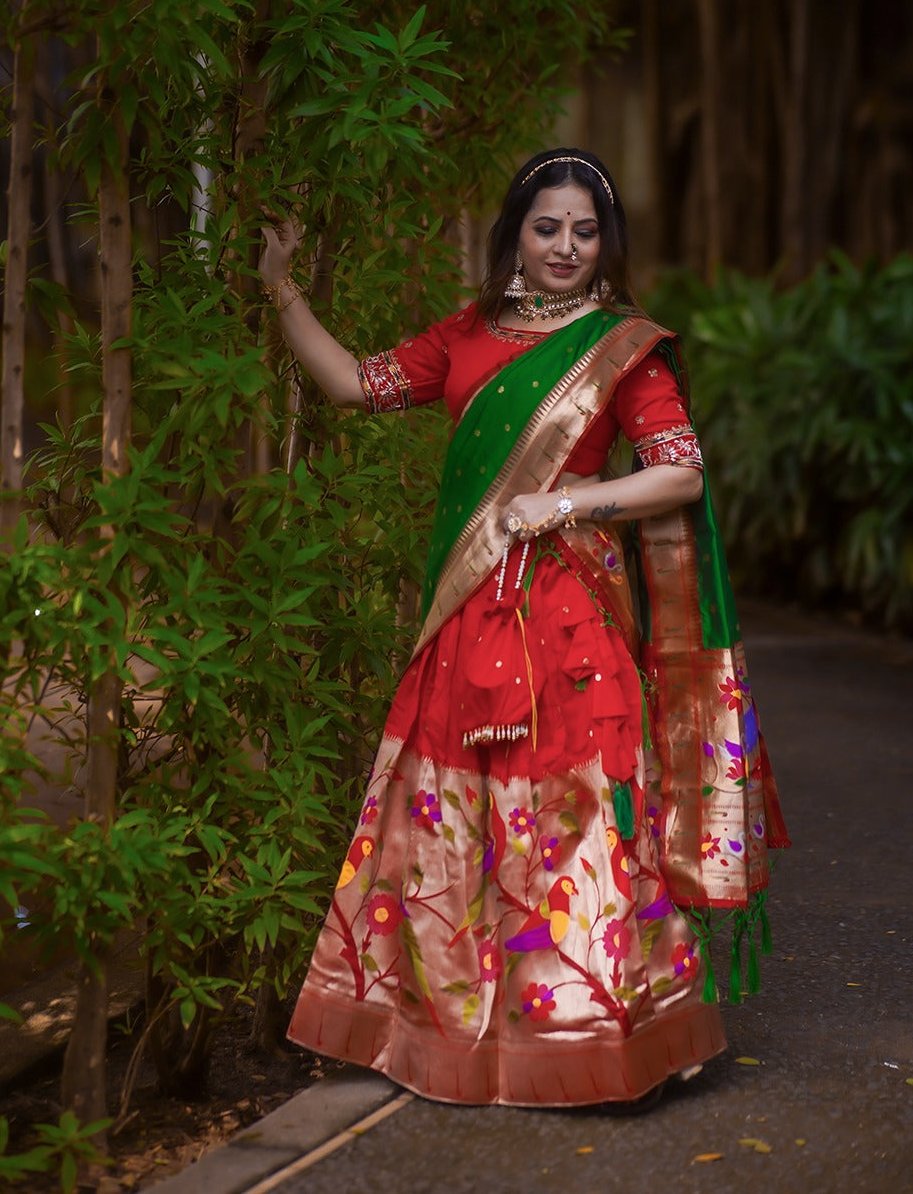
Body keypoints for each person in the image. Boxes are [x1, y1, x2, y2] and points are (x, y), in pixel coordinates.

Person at [258, 147, 789, 1109]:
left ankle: (600, 1026)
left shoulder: (618, 345)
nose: (566, 247)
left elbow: (680, 470)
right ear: (517, 232)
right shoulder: (468, 333)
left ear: (605, 242)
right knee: (453, 810)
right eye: (548, 227)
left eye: (585, 232)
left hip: (570, 614)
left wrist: (564, 507)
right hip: (471, 614)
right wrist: (281, 287)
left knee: (584, 807)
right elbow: (355, 386)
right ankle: (461, 1029)